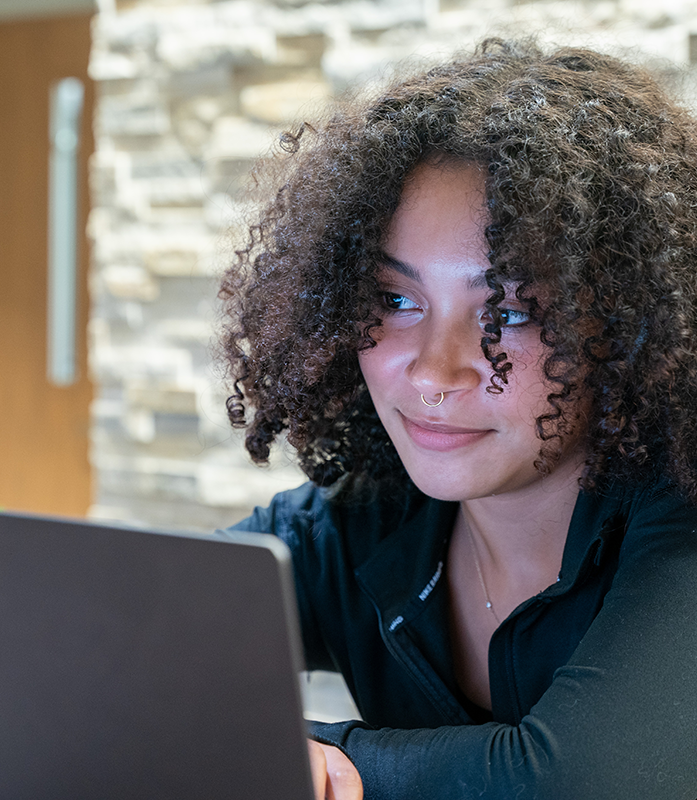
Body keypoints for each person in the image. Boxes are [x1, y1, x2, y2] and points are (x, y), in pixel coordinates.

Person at [218, 38, 697, 799]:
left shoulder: (680, 523)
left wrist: (307, 755)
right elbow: (103, 626)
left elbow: (578, 780)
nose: (436, 370)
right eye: (397, 300)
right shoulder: (360, 527)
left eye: (508, 311)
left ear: (632, 328)